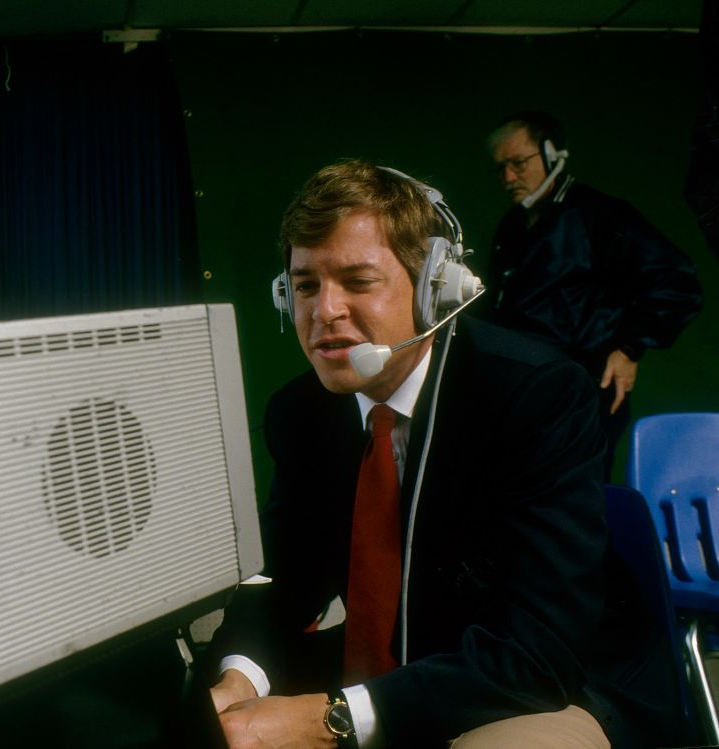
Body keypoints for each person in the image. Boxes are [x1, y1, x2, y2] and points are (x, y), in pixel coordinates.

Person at [205, 159, 687, 748]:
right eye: (305, 285)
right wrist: (237, 681)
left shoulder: (537, 394)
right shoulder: (300, 411)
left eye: (358, 281)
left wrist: (330, 719)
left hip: (556, 681)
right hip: (408, 671)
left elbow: (538, 652)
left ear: (437, 289)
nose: (323, 311)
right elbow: (283, 577)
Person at [484, 111, 702, 477]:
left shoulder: (598, 214)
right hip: (525, 395)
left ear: (553, 153)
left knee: (576, 499)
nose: (508, 177)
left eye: (519, 163)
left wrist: (630, 348)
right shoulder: (513, 227)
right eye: (500, 168)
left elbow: (676, 280)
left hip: (582, 391)